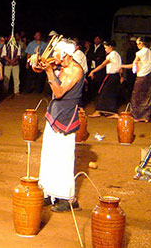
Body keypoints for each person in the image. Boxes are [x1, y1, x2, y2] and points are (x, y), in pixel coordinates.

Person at [34, 39, 84, 212]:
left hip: (66, 118)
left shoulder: (75, 70)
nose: (54, 56)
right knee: (48, 155)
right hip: (54, 114)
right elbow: (37, 67)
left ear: (66, 55)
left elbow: (59, 91)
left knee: (64, 158)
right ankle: (48, 192)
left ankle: (67, 198)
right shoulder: (61, 64)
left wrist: (49, 71)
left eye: (57, 53)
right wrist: (37, 63)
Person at [120, 36, 151, 122]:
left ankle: (136, 116)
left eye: (138, 43)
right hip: (150, 76)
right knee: (147, 96)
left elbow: (133, 65)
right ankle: (146, 117)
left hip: (142, 76)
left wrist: (122, 66)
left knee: (136, 96)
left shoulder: (140, 53)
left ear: (141, 43)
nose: (137, 45)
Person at [88, 40, 122, 118]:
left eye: (106, 48)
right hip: (114, 76)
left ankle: (100, 111)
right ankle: (108, 111)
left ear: (110, 47)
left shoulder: (112, 54)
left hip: (112, 76)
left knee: (103, 92)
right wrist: (120, 76)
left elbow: (103, 64)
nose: (105, 49)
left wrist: (93, 71)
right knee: (109, 94)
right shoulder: (117, 54)